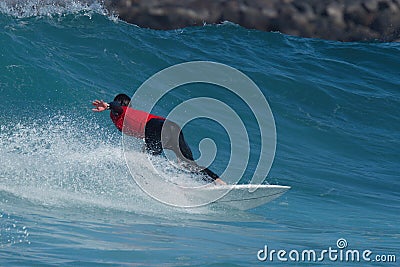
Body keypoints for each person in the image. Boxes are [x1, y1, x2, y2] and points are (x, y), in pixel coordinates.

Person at [92, 93, 225, 185]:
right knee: (188, 163)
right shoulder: (121, 115)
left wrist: (108, 105)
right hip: (171, 127)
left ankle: (160, 184)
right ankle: (217, 181)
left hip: (156, 128)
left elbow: (117, 106)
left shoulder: (123, 111)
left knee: (145, 160)